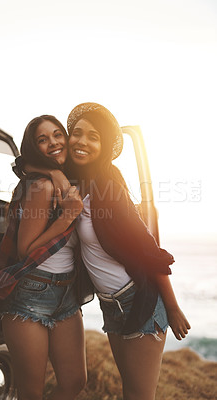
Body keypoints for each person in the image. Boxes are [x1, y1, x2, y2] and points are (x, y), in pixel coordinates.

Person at [65, 102, 191, 400]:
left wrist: (172, 307)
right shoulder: (77, 185)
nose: (82, 141)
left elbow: (151, 252)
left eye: (93, 137)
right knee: (129, 392)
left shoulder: (110, 191)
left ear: (105, 145)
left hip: (140, 301)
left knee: (138, 396)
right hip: (112, 306)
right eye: (77, 133)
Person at [0, 115, 86, 400]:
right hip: (31, 293)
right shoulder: (42, 187)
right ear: (34, 147)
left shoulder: (65, 180)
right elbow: (26, 249)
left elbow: (20, 164)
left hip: (66, 295)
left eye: (57, 135)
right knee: (31, 392)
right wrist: (67, 216)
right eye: (43, 139)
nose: (53, 143)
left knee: (75, 381)